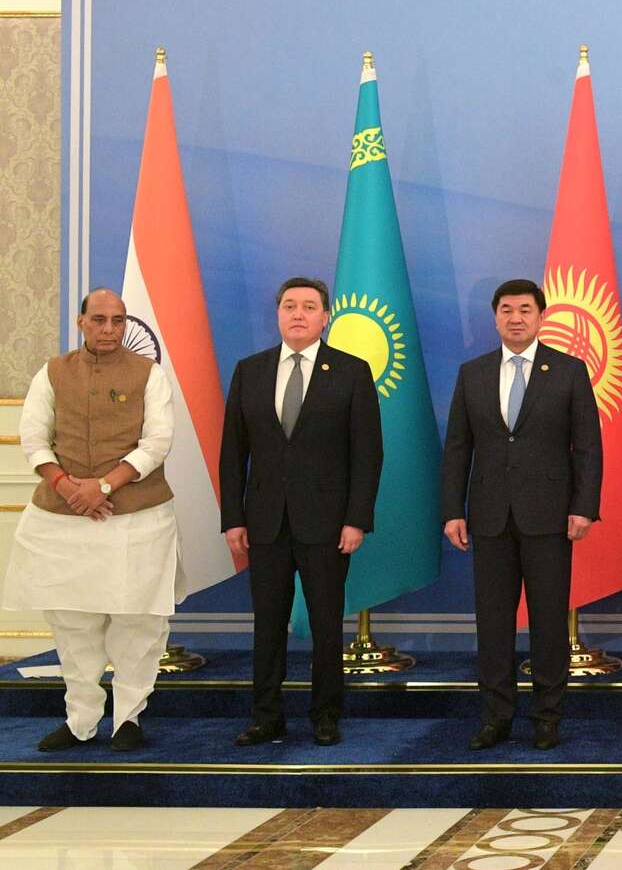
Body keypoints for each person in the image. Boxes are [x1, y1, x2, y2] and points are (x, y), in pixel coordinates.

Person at [1, 288, 179, 753]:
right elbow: (33, 437)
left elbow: (157, 442)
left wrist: (102, 487)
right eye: (99, 319)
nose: (109, 329)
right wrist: (68, 487)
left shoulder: (149, 374)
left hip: (137, 517)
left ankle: (128, 719)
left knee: (136, 622)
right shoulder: (53, 372)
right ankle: (81, 721)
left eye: (118, 320)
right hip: (64, 519)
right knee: (73, 623)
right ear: (81, 322)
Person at [441, 278, 603, 752]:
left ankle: (547, 717)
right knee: (492, 624)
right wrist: (452, 510)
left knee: (549, 621)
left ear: (540, 316)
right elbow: (457, 448)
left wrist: (583, 507)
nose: (516, 318)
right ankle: (496, 717)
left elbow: (587, 447)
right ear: (495, 318)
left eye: (525, 310)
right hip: (489, 516)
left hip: (550, 517)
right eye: (507, 310)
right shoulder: (473, 373)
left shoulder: (569, 370)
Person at [220, 276, 381, 747]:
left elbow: (367, 454)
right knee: (267, 625)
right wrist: (233, 518)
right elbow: (233, 452)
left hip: (328, 524)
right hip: (265, 522)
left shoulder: (351, 372)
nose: (298, 314)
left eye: (309, 306)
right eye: (289, 305)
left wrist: (356, 519)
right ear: (277, 314)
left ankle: (325, 715)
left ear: (325, 317)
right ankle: (265, 717)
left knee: (327, 625)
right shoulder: (250, 371)